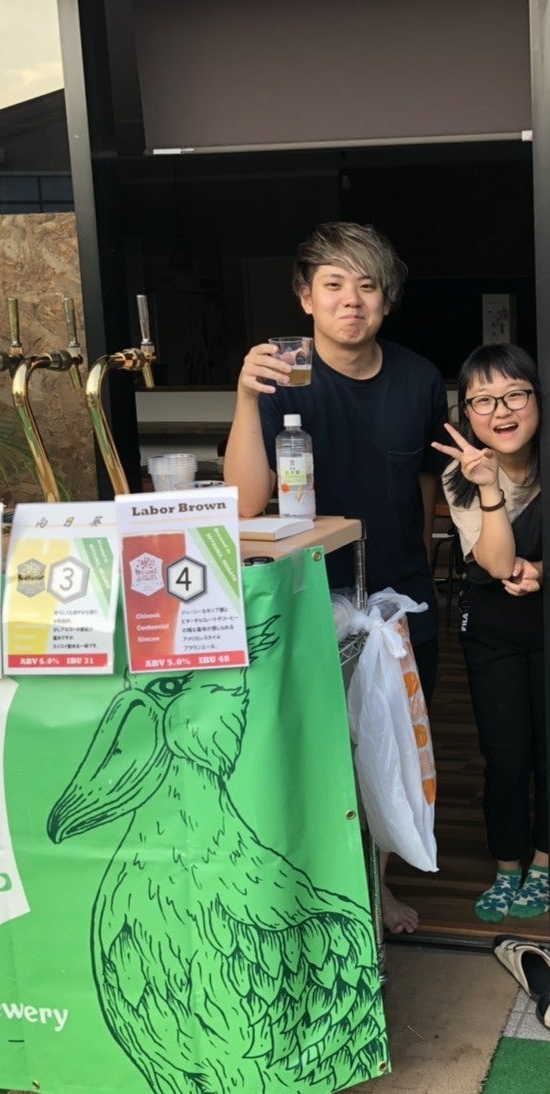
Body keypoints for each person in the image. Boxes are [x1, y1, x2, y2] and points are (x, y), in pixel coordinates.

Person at [224, 221, 447, 934]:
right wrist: (243, 398)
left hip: (397, 598)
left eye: (368, 285)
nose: (352, 300)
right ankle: (325, 894)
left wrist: (424, 577)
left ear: (387, 299)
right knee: (320, 751)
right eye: (333, 284)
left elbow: (424, 492)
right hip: (306, 600)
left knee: (390, 750)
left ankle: (377, 889)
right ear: (305, 297)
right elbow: (243, 503)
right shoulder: (281, 375)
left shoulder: (419, 379)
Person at [430, 343, 549, 922]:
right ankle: (507, 866)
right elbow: (498, 563)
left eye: (515, 394)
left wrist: (546, 571)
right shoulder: (462, 474)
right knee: (505, 757)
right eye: (483, 400)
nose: (501, 411)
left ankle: (546, 862)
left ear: (538, 399)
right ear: (468, 413)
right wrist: (488, 486)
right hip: (492, 628)